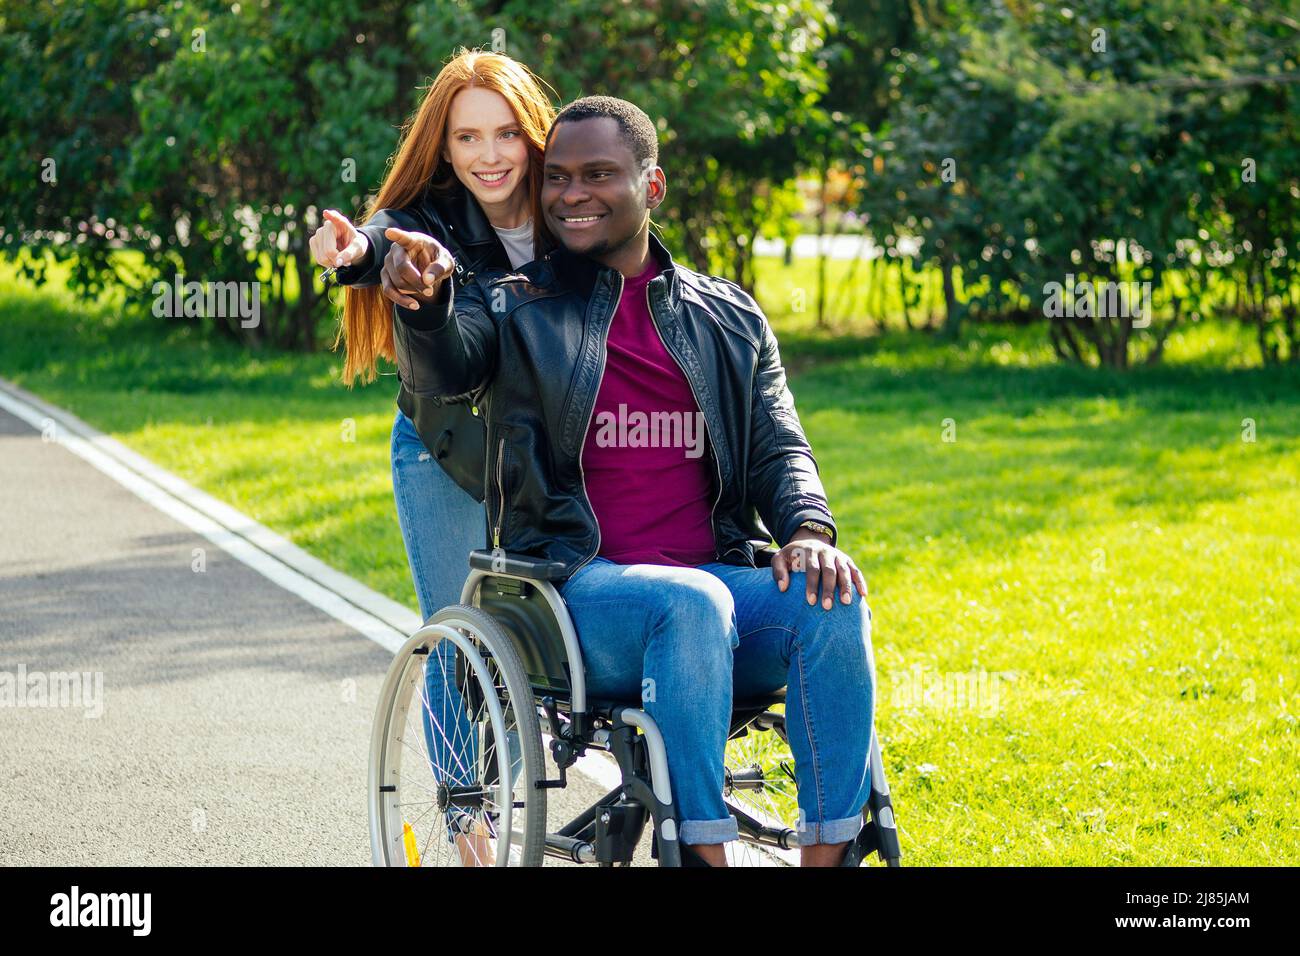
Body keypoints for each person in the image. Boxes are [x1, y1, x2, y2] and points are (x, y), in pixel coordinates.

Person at [383, 96, 876, 867]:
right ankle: (701, 855)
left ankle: (828, 857)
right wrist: (427, 306)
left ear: (652, 187)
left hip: (713, 581)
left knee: (832, 596)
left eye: (599, 175)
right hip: (579, 595)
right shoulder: (516, 308)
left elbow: (781, 447)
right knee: (693, 603)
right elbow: (449, 361)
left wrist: (810, 530)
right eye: (559, 179)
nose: (572, 194)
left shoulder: (731, 316)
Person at [308, 48, 556, 866]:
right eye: (466, 139)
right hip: (441, 448)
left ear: (532, 133)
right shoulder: (438, 213)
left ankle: (522, 799)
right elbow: (391, 241)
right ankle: (467, 826)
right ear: (444, 149)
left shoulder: (570, 202)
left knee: (532, 639)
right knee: (459, 630)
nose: (488, 156)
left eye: (504, 134)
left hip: (539, 452)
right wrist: (355, 254)